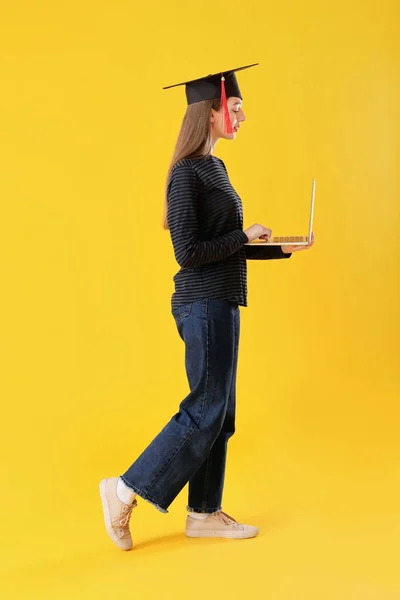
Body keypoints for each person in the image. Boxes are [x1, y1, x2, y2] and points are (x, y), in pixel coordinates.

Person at [99, 63, 315, 551]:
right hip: (201, 302)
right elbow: (188, 252)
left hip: (221, 300)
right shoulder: (185, 174)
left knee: (221, 412)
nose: (241, 116)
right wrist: (243, 234)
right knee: (205, 407)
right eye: (234, 108)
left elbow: (225, 245)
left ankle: (203, 512)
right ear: (211, 111)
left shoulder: (215, 168)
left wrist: (278, 247)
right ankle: (123, 489)